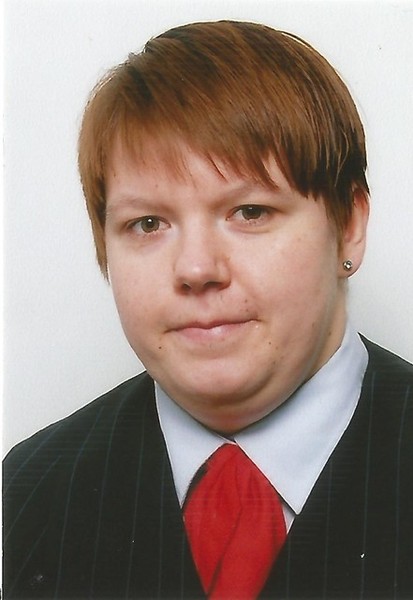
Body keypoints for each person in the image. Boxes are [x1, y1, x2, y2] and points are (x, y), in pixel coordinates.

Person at [3, 20, 412, 599]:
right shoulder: (24, 494)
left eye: (250, 212)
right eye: (148, 223)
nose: (196, 269)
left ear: (348, 226)